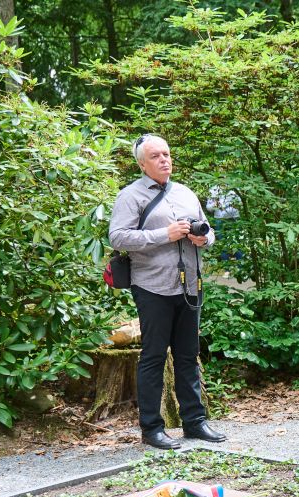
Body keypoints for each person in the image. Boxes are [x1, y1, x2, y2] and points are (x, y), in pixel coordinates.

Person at [108, 134, 226, 450]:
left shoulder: (185, 193)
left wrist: (204, 239)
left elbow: (209, 231)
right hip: (152, 287)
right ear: (142, 164)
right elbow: (118, 237)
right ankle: (152, 428)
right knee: (154, 356)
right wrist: (165, 234)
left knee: (188, 355)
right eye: (156, 156)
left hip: (189, 287)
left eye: (167, 154)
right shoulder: (130, 196)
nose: (164, 160)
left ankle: (195, 422)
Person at [205, 185, 242, 262]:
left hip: (234, 219)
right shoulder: (214, 190)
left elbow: (240, 203)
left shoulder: (235, 188)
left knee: (237, 242)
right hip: (219, 220)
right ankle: (226, 264)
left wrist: (231, 204)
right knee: (223, 243)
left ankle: (240, 264)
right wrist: (214, 205)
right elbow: (208, 208)